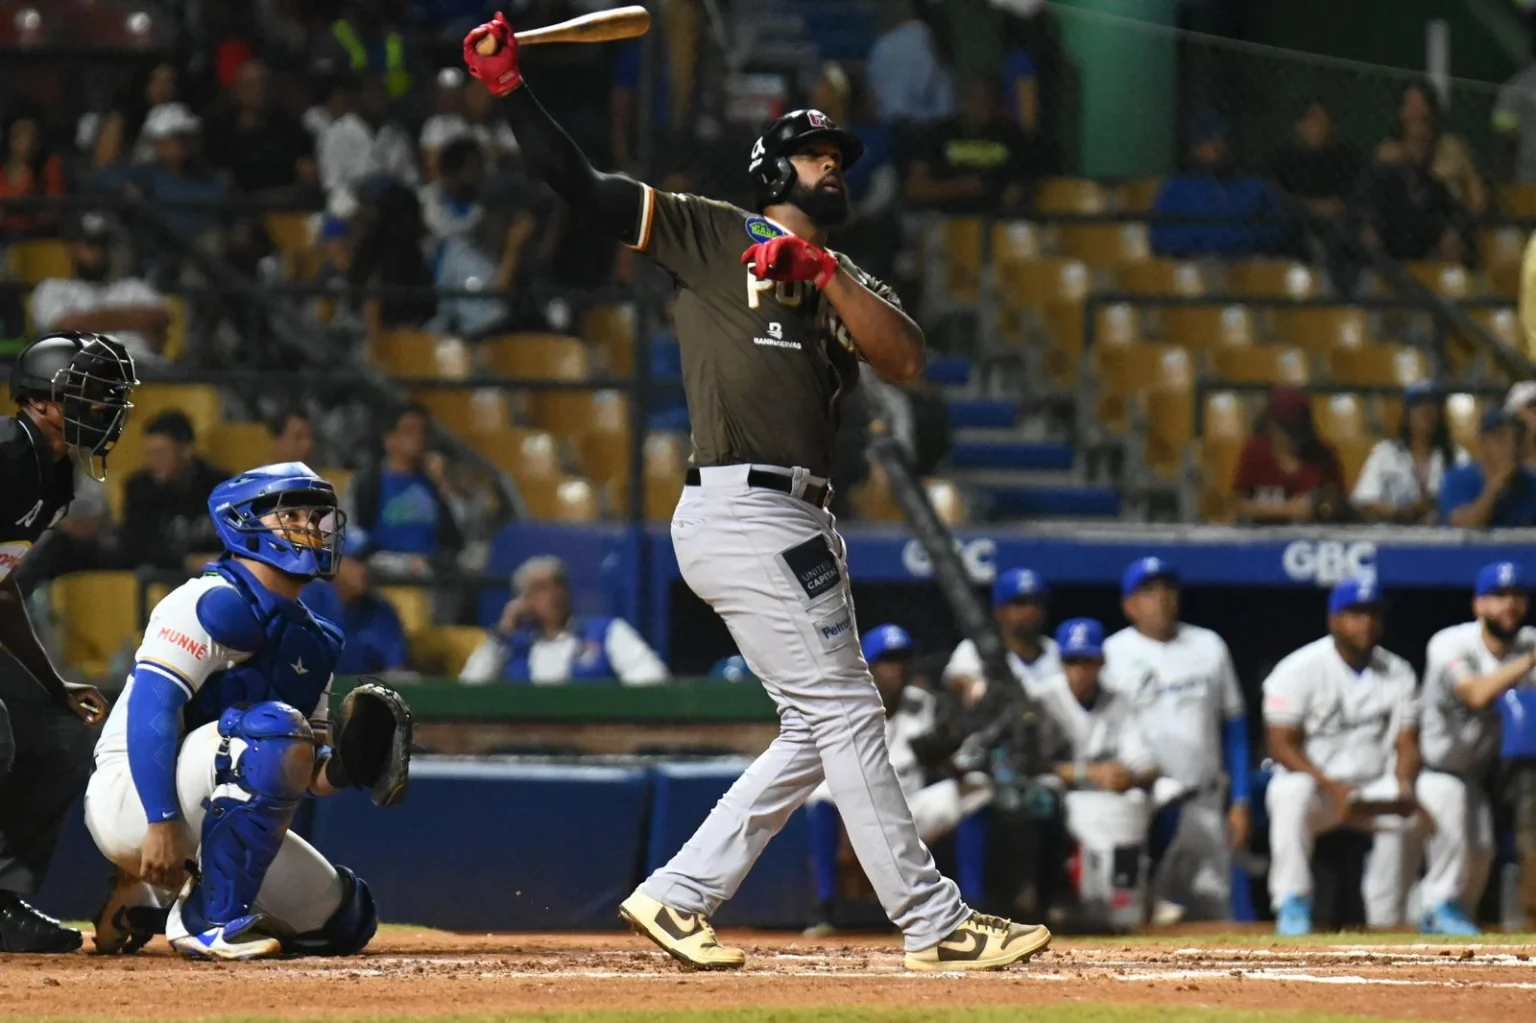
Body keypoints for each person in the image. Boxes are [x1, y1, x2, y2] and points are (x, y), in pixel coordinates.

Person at [463, 13, 1047, 971]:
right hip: (741, 504)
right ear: (775, 169)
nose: (834, 169)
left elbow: (908, 358)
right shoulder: (710, 230)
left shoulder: (842, 273)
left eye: (838, 159)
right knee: (852, 712)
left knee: (817, 731)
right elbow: (582, 186)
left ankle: (676, 892)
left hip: (802, 518)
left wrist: (820, 268)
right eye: (816, 157)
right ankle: (936, 923)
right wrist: (511, 91)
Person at [84, 464, 392, 959]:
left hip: (211, 801)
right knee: (273, 732)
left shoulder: (315, 638)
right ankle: (207, 921)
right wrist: (160, 823)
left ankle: (148, 899)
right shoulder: (205, 600)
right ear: (242, 523)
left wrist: (349, 764)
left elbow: (306, 773)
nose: (311, 528)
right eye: (292, 515)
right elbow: (152, 708)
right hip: (133, 795)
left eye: (317, 517)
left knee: (345, 922)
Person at [0, 333, 135, 953]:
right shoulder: (4, 452)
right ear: (43, 403)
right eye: (92, 394)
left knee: (58, 734)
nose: (106, 408)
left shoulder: (55, 479)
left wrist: (53, 686)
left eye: (111, 397)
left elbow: (2, 590)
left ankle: (2, 902)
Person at [804, 624, 992, 937]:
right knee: (820, 793)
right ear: (869, 667)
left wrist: (948, 758)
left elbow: (947, 759)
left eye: (902, 660)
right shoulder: (846, 708)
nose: (897, 669)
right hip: (864, 815)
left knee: (978, 789)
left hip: (912, 813)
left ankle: (972, 903)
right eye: (888, 661)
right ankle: (826, 906)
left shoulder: (925, 703)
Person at [1261, 577, 1423, 936]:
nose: (1365, 622)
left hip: (1372, 789)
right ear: (1333, 620)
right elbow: (1280, 745)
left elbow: (1406, 742)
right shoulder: (1298, 668)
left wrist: (1403, 785)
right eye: (1355, 614)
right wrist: (1330, 786)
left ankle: (1388, 916)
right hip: (1322, 791)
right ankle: (1292, 904)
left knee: (1423, 807)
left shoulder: (1398, 671)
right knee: (1289, 793)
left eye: (1372, 614)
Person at [1102, 557, 1249, 922]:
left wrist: (1241, 799)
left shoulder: (1208, 645)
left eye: (1167, 588)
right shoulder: (1111, 653)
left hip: (1204, 800)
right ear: (1128, 605)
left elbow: (1235, 726)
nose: (1161, 598)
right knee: (1135, 913)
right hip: (1146, 804)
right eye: (1148, 591)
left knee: (1216, 910)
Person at [1396, 562, 1536, 935]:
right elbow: (1476, 694)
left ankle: (1438, 918)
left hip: (1477, 776)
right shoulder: (1450, 643)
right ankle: (1437, 905)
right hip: (1434, 769)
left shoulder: (1528, 644)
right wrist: (1530, 661)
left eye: (1517, 596)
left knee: (1481, 854)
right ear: (1478, 605)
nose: (1509, 605)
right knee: (1452, 837)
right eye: (1498, 596)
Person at [1037, 618, 1159, 931]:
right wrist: (1088, 772)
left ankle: (1139, 897)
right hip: (1063, 797)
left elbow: (1146, 761)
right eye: (1072, 661)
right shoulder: (1043, 700)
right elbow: (1033, 764)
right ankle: (1053, 896)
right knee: (1043, 793)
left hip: (1108, 797)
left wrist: (1129, 776)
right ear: (1061, 663)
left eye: (1087, 660)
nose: (1079, 669)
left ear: (1101, 662)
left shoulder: (1118, 700)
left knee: (1166, 791)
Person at [459, 555, 667, 686]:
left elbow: (652, 680)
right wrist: (502, 633)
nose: (554, 594)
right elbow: (469, 688)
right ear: (523, 600)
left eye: (559, 584)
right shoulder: (510, 646)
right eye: (540, 588)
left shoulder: (607, 632)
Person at [30, 214, 171, 363]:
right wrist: (132, 318)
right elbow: (67, 326)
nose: (96, 252)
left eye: (101, 244)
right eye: (88, 245)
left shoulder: (134, 287)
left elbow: (161, 317)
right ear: (73, 248)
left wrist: (92, 321)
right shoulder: (52, 288)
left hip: (140, 370)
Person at [346, 405, 460, 573]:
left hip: (432, 574)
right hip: (383, 573)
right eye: (409, 431)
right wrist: (400, 563)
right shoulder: (368, 484)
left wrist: (442, 486)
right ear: (389, 440)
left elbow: (457, 539)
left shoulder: (432, 483)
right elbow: (352, 537)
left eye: (421, 432)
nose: (417, 438)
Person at [1150, 114, 1281, 259]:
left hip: (1245, 267)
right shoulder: (1176, 187)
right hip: (1191, 268)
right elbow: (1160, 236)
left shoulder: (1255, 188)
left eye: (1219, 142)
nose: (1214, 149)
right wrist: (1196, 248)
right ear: (1195, 148)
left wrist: (1239, 246)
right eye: (1206, 143)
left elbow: (1274, 233)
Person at [903, 75, 1033, 214]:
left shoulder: (1010, 135)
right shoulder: (940, 134)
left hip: (997, 218)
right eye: (978, 99)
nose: (984, 106)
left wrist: (1017, 192)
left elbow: (1025, 180)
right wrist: (961, 187)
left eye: (990, 99)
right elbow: (914, 189)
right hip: (944, 218)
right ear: (964, 99)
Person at [121, 411, 229, 575]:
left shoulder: (222, 486)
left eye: (161, 453)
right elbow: (135, 547)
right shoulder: (139, 487)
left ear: (186, 450)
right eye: (149, 454)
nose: (153, 462)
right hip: (163, 578)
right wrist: (187, 562)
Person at [1355, 120, 1474, 265]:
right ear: (1402, 145)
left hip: (1426, 270)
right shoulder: (1381, 184)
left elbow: (1460, 218)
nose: (1420, 149)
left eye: (1425, 142)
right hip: (1386, 270)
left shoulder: (1437, 191)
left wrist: (1452, 232)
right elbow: (1366, 224)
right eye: (1414, 141)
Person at [1351, 381, 1469, 524]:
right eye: (1419, 405)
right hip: (1394, 539)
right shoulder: (1385, 453)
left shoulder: (1458, 456)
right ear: (1407, 414)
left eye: (1433, 405)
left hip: (1444, 540)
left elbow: (1468, 505)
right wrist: (1402, 511)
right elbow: (1364, 503)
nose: (1427, 411)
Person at [942, 567, 1061, 704]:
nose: (1029, 611)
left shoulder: (1059, 653)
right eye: (1020, 603)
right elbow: (957, 679)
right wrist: (971, 684)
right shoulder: (975, 649)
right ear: (999, 611)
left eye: (1036, 602)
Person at [203, 59, 318, 199]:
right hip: (233, 204)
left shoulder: (289, 128)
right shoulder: (219, 128)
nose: (257, 91)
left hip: (280, 202)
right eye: (250, 85)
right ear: (236, 90)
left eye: (262, 84)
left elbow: (305, 166)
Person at [1232, 386, 1347, 524]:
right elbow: (1237, 505)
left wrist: (1323, 507)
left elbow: (1337, 502)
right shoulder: (1256, 452)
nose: (1293, 436)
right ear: (1271, 424)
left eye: (1299, 427)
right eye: (1286, 428)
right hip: (1261, 537)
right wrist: (1288, 509)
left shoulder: (1322, 455)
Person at [300, 532, 408, 676]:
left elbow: (395, 671)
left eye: (368, 561)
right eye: (358, 560)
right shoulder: (306, 603)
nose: (365, 569)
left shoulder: (381, 611)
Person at [1376, 81, 1486, 215]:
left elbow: (1477, 197)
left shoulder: (1453, 148)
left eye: (1421, 105)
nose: (1416, 113)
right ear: (1401, 113)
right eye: (1410, 105)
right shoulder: (1388, 152)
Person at [1439, 409, 1536, 528]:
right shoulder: (1457, 479)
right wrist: (1497, 484)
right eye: (1500, 438)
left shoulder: (1530, 482)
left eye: (1516, 438)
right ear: (1483, 443)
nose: (1511, 446)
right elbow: (1465, 524)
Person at [1269, 98, 1361, 218]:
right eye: (1313, 118)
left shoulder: (1346, 158)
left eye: (1322, 119)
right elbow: (1275, 196)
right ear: (1299, 125)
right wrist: (1311, 207)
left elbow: (1359, 194)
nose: (1319, 125)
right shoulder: (1284, 160)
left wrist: (1339, 206)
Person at [0, 104, 66, 240]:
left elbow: (53, 210)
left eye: (32, 135)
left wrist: (27, 215)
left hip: (33, 240)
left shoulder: (48, 167)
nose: (27, 141)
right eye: (20, 134)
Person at [418, 136, 485, 247]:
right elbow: (441, 232)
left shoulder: (482, 206)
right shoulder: (423, 200)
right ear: (454, 171)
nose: (482, 175)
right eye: (475, 168)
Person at [1493, 36, 1536, 183]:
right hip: (1527, 185)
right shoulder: (1514, 90)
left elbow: (1505, 139)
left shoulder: (1512, 89)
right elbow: (1505, 137)